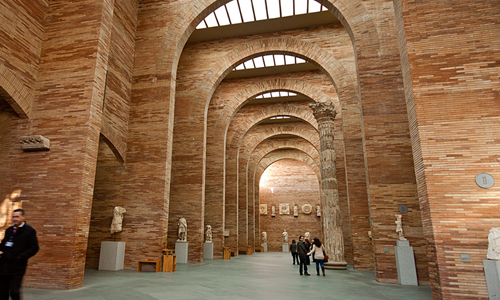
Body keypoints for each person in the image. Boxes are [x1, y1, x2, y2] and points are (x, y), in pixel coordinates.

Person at [0, 209, 39, 300]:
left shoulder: (29, 231)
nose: (15, 219)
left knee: (14, 291)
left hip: (17, 266)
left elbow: (34, 247)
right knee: (2, 291)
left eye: (17, 216)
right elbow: (3, 244)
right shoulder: (9, 230)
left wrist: (21, 257)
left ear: (23, 217)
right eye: (13, 217)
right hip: (4, 266)